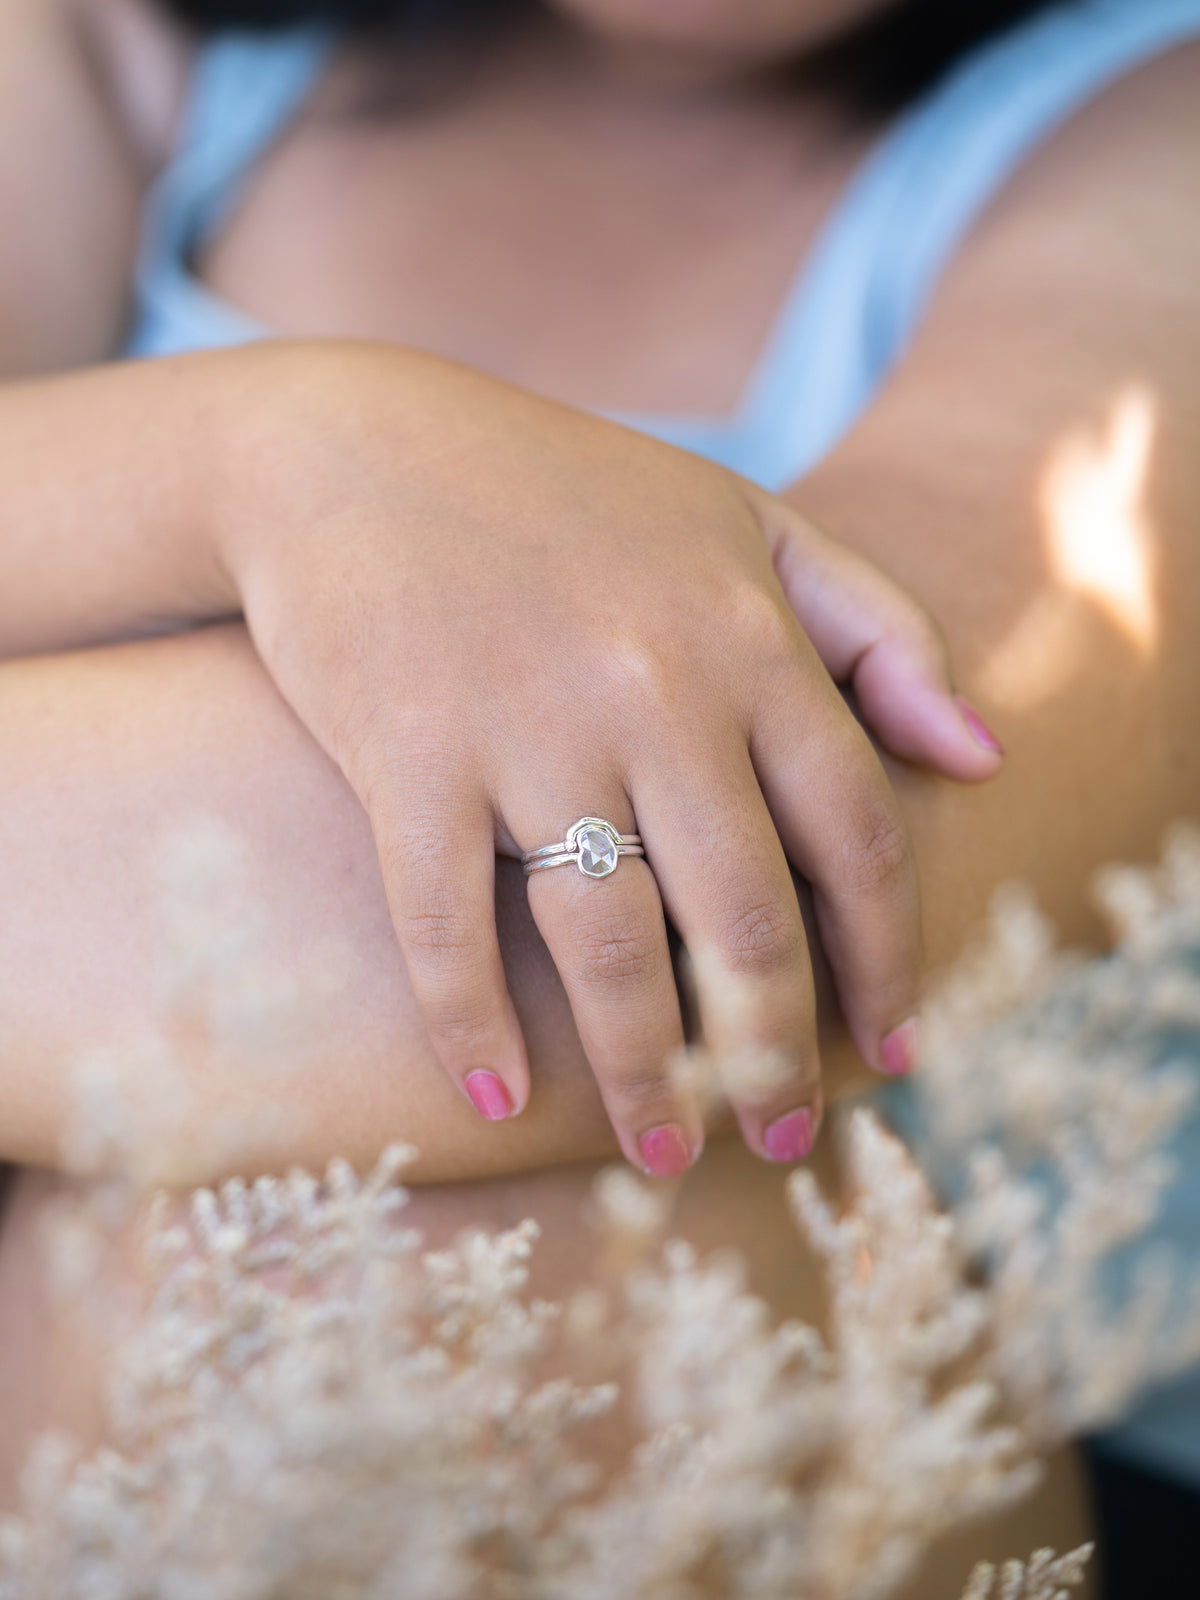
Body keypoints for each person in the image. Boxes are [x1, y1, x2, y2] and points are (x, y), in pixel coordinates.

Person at [0, 0, 1197, 1585]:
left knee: (427, 1245)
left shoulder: (1147, 145)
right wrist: (263, 453)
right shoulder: (108, 43)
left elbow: (691, 926)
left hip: (939, 1430)